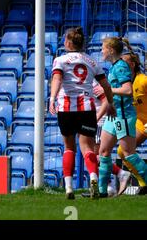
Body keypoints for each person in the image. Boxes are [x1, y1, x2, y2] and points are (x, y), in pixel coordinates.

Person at [49, 27, 116, 200]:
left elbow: (57, 79)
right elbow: (106, 86)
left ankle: (69, 188)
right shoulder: (92, 61)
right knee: (87, 147)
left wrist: (52, 98)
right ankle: (93, 179)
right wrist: (111, 104)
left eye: (65, 39)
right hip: (87, 108)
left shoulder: (60, 60)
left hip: (66, 109)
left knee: (69, 148)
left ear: (69, 42)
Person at [98, 36, 147, 197]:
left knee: (128, 154)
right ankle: (101, 191)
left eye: (103, 48)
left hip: (124, 115)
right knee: (104, 151)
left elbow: (127, 90)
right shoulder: (113, 67)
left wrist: (108, 91)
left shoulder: (120, 67)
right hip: (114, 114)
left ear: (111, 50)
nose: (101, 51)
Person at [121, 51, 147, 194]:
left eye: (123, 63)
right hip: (140, 122)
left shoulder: (143, 80)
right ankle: (144, 183)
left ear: (132, 65)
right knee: (123, 151)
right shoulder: (125, 84)